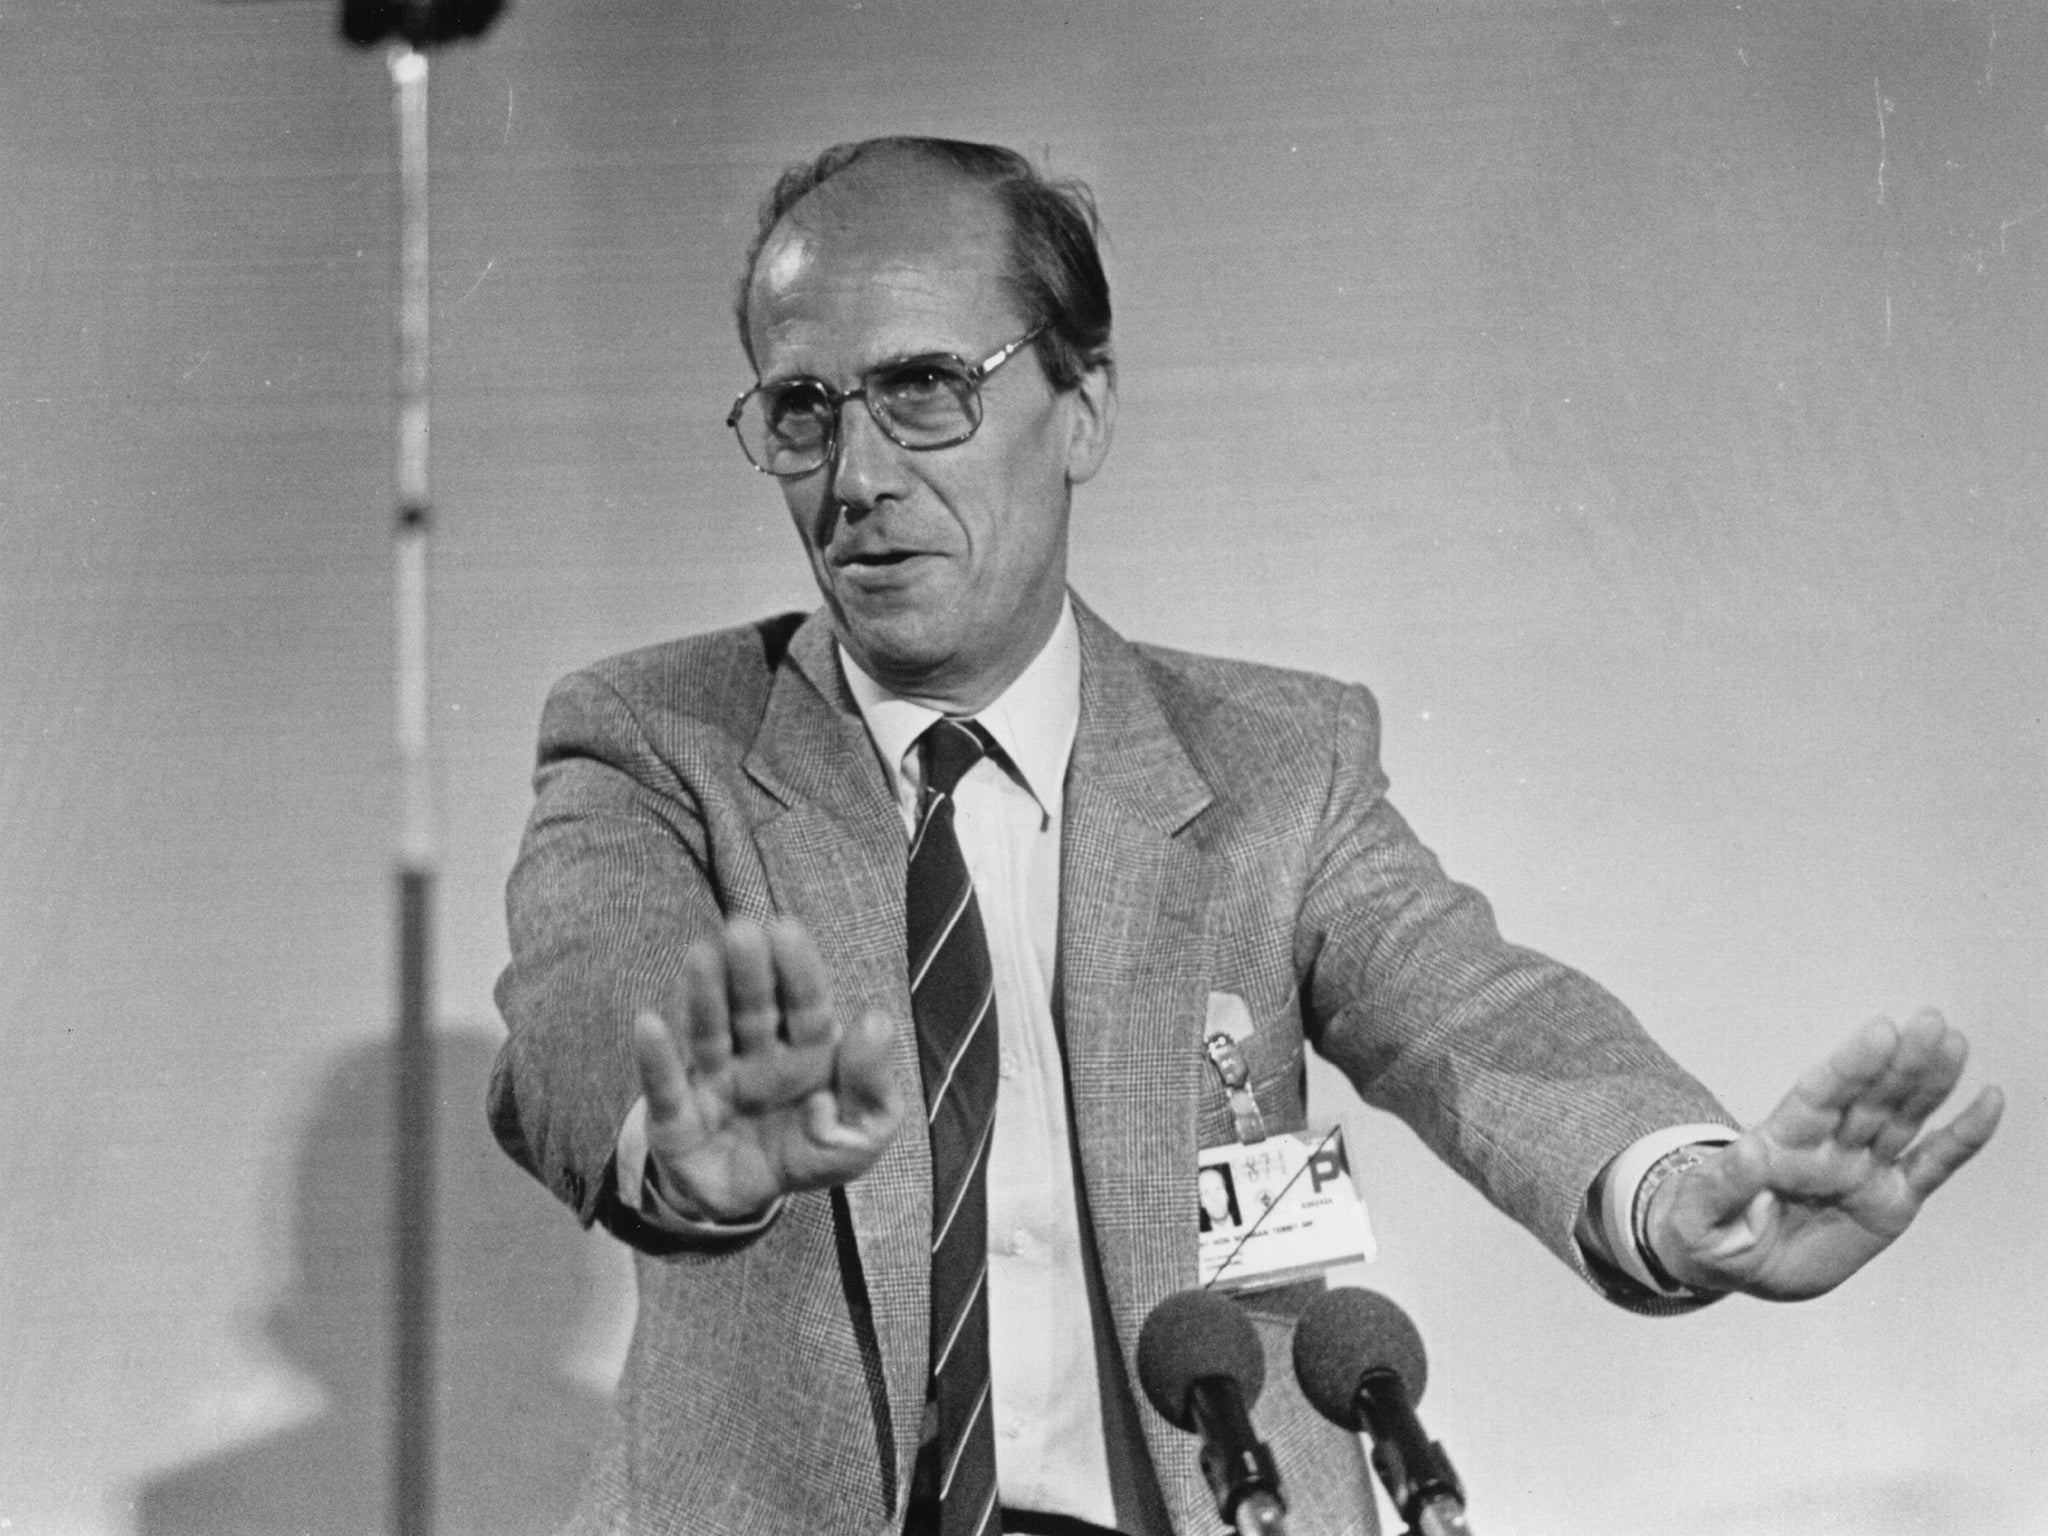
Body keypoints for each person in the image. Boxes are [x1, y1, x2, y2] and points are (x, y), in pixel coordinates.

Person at [489, 137, 2003, 1536]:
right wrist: (678, 1160)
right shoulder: (657, 736)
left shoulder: (1278, 764)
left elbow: (1468, 1004)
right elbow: (580, 1014)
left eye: (926, 389)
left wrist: (1678, 1189)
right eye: (802, 410)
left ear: (1081, 408)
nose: (859, 476)